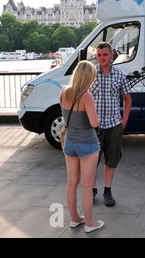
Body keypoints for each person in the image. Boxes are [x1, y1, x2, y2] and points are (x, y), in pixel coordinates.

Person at [60, 60, 104, 233]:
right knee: (87, 186)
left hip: (69, 142)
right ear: (89, 77)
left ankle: (74, 218)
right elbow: (94, 123)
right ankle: (90, 223)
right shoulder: (86, 96)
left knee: (71, 183)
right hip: (87, 144)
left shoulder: (63, 92)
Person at [90, 42, 132, 207]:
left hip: (114, 125)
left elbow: (127, 98)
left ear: (111, 55)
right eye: (99, 55)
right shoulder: (91, 74)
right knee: (92, 161)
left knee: (111, 160)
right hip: (94, 126)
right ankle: (92, 189)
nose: (101, 58)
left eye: (105, 55)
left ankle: (107, 189)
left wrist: (124, 121)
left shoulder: (120, 75)